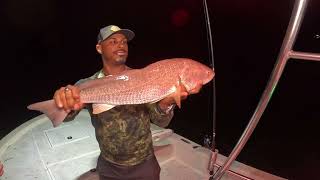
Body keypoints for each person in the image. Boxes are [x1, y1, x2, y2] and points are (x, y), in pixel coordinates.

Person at [53, 25, 203, 180]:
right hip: (110, 165)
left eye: (124, 42)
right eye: (113, 41)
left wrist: (167, 102)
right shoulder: (87, 84)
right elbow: (66, 116)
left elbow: (161, 121)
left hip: (145, 164)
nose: (121, 45)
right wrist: (63, 102)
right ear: (99, 48)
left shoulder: (144, 79)